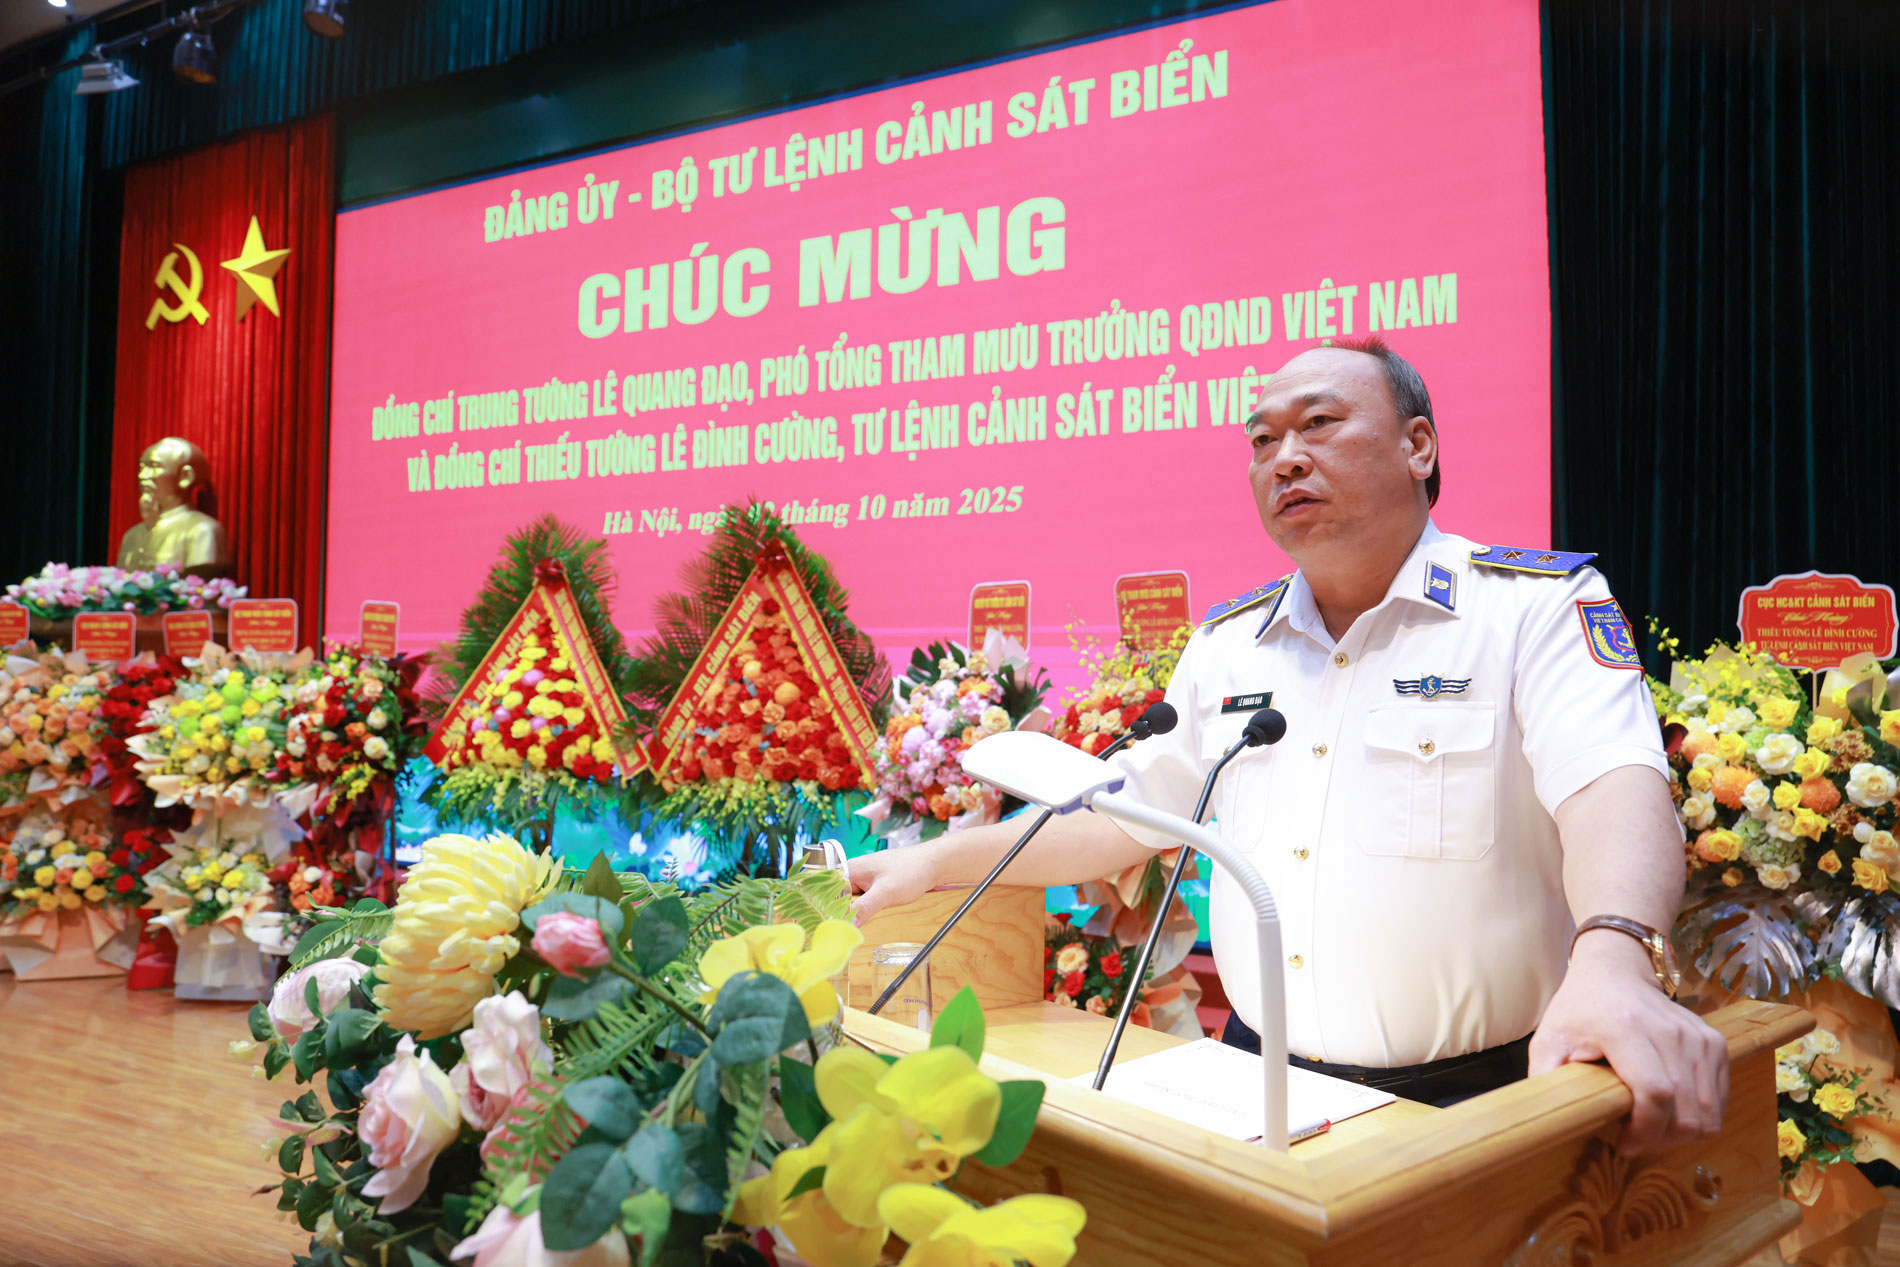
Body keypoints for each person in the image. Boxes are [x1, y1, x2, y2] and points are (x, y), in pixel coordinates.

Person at [849, 336, 1727, 1153]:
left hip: (1473, 1104)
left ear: (1418, 446)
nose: (1286, 458)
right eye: (1262, 440)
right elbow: (1124, 815)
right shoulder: (1229, 645)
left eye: (1319, 423)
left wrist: (1616, 957)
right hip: (1253, 1087)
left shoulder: (1532, 608)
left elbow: (1613, 787)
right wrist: (935, 863)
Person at [115, 436, 233, 576]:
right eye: (142, 467)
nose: (142, 475)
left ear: (185, 476)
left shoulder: (202, 531)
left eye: (154, 466)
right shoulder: (132, 535)